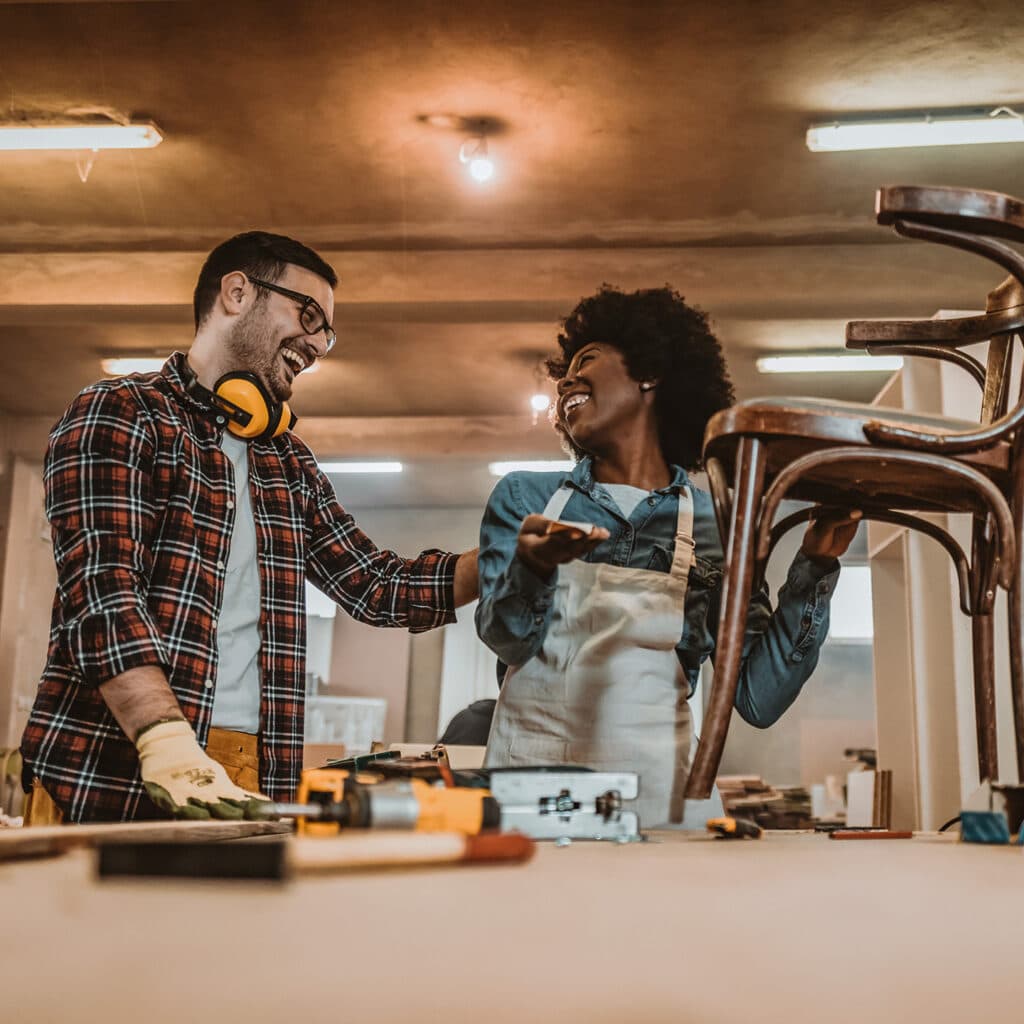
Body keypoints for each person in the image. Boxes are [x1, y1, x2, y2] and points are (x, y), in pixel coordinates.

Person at [20, 231, 478, 824]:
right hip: (114, 765)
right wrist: (165, 741)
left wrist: (501, 562)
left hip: (252, 766)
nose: (317, 344)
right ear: (237, 292)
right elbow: (104, 593)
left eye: (326, 332)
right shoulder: (123, 412)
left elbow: (375, 585)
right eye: (307, 314)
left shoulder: (287, 462)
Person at [475, 285, 859, 826]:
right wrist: (533, 566)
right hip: (535, 793)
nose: (566, 381)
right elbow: (505, 637)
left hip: (662, 798)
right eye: (566, 371)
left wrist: (816, 566)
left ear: (649, 373)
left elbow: (757, 698)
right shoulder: (526, 498)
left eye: (587, 360)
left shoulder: (719, 526)